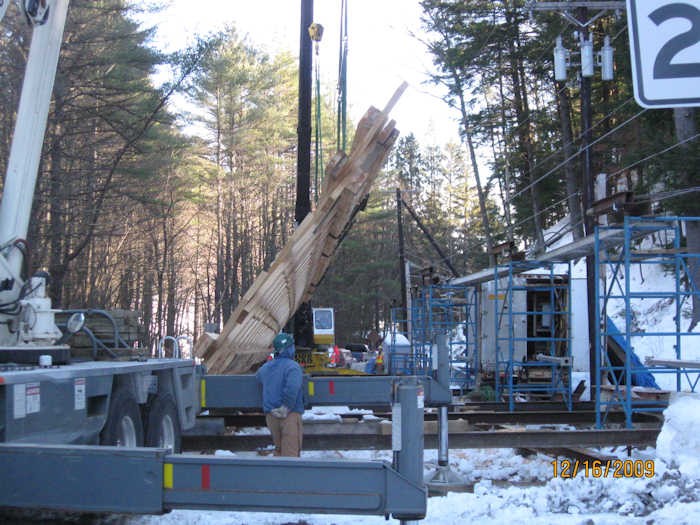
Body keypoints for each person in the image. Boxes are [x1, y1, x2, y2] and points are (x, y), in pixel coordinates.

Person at [255, 333, 304, 457]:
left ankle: (278, 476)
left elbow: (259, 377)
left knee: (279, 450)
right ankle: (289, 477)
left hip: (272, 416)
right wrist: (286, 407)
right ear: (288, 349)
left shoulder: (265, 368)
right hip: (288, 415)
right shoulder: (293, 367)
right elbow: (292, 388)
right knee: (290, 454)